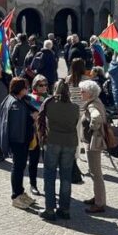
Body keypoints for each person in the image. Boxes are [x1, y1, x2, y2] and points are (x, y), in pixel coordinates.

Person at [38, 80, 79, 221]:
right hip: (70, 143)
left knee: (49, 176)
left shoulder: (50, 105)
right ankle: (65, 209)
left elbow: (43, 121)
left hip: (53, 141)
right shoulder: (74, 107)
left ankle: (50, 209)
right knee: (66, 177)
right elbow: (74, 123)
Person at [0, 76, 36, 210]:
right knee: (18, 167)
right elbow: (19, 122)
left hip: (22, 139)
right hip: (18, 140)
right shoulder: (15, 103)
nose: (28, 89)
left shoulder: (18, 100)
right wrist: (31, 118)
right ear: (20, 89)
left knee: (20, 167)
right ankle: (16, 196)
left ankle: (20, 192)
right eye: (26, 87)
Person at [79, 79, 109, 214]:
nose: (80, 93)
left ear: (90, 93)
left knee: (95, 173)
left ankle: (99, 203)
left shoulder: (92, 106)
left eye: (83, 91)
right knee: (95, 172)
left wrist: (92, 127)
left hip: (93, 143)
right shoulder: (95, 101)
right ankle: (98, 197)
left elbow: (96, 117)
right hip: (92, 141)